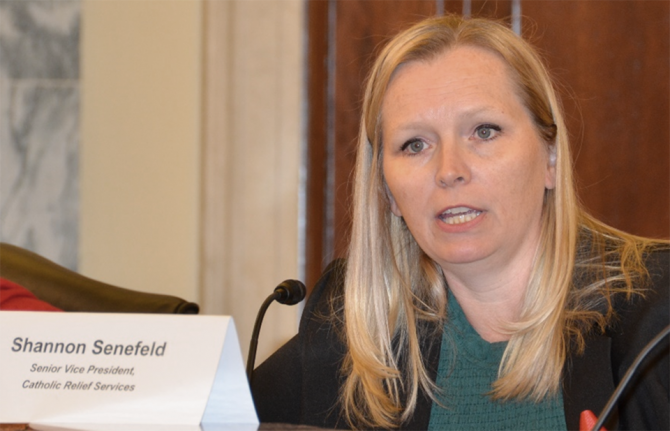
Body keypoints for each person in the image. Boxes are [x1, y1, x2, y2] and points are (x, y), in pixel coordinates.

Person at [251, 14, 670, 431]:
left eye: (484, 132)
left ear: (550, 157)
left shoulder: (657, 312)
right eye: (415, 144)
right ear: (386, 190)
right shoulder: (351, 318)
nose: (449, 170)